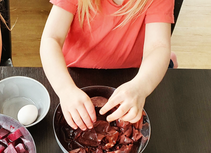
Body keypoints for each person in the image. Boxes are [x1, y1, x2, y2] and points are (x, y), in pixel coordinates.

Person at [40, 0, 174, 131]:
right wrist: (65, 90)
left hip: (130, 78)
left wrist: (141, 86)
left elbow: (158, 46)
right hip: (74, 74)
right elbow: (51, 38)